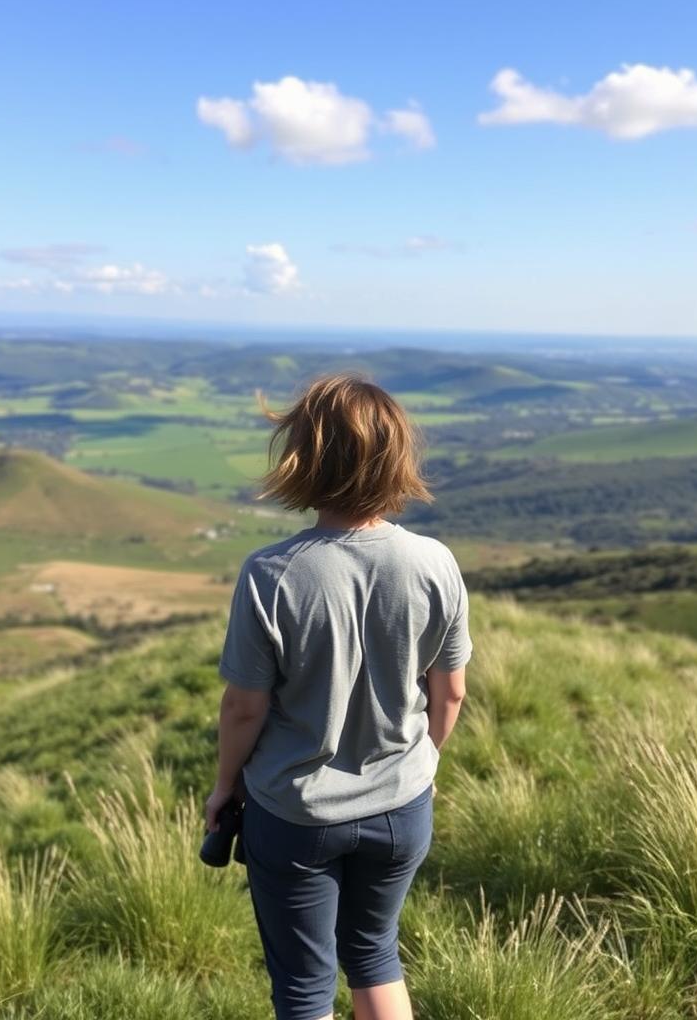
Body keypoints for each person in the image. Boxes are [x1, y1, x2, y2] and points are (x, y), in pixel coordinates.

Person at [205, 372, 472, 1020]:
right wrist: (424, 763)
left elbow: (244, 707)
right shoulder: (435, 563)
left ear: (304, 458)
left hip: (296, 815)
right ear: (396, 458)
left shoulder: (272, 573)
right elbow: (452, 693)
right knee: (376, 955)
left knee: (302, 986)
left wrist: (222, 788)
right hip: (402, 804)